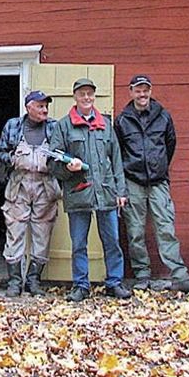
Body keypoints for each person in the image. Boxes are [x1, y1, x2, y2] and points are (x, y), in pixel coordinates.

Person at [114, 73, 189, 293]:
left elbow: (170, 144)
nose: (142, 94)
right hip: (132, 180)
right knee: (135, 231)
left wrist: (159, 166)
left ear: (150, 91)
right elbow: (118, 151)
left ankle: (180, 276)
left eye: (145, 90)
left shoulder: (163, 116)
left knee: (165, 228)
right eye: (138, 90)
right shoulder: (123, 120)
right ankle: (142, 275)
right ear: (131, 92)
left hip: (158, 181)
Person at [50, 78, 131, 302]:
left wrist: (121, 192)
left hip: (106, 193)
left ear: (94, 96)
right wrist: (67, 167)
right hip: (78, 193)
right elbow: (53, 162)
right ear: (75, 96)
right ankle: (81, 285)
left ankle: (114, 283)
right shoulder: (63, 126)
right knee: (78, 243)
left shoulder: (105, 123)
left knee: (112, 241)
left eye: (90, 94)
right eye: (82, 94)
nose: (87, 98)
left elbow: (116, 160)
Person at [0, 89, 61, 296]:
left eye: (46, 106)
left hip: (46, 185)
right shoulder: (13, 126)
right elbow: (0, 152)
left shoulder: (54, 127)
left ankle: (33, 281)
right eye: (40, 105)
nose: (45, 109)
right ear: (29, 107)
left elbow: (64, 153)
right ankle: (14, 281)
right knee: (15, 232)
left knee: (42, 233)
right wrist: (12, 159)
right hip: (19, 184)